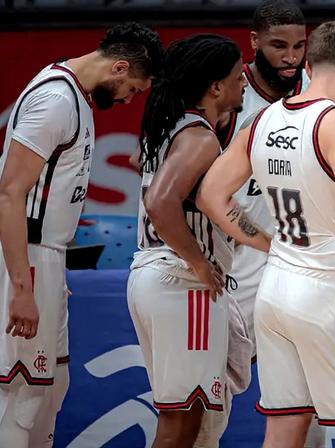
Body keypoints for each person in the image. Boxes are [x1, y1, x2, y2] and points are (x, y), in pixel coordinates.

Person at [196, 21, 335, 448]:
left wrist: (265, 243)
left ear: (307, 64)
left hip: (277, 290)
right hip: (329, 293)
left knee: (286, 428)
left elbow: (211, 196)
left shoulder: (264, 118)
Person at [0, 23, 162, 447]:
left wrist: (49, 272)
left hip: (45, 260)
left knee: (49, 388)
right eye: (134, 88)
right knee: (19, 397)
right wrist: (22, 283)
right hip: (28, 259)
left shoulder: (74, 96)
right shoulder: (56, 99)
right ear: (120, 66)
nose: (131, 98)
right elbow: (9, 193)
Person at [127, 34, 250, 448]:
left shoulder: (168, 126)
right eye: (237, 77)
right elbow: (161, 203)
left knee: (188, 420)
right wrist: (200, 262)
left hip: (154, 273)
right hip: (181, 283)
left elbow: (148, 175)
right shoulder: (200, 137)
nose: (244, 83)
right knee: (182, 424)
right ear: (215, 86)